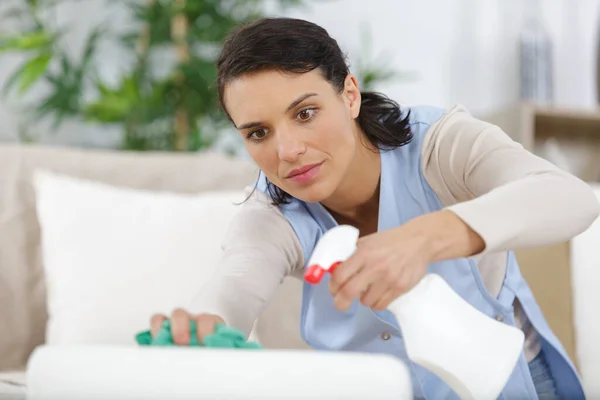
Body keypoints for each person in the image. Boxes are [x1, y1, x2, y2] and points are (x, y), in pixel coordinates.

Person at [148, 17, 599, 399]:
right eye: (258, 133)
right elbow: (235, 284)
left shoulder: (438, 146)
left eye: (304, 113)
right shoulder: (271, 213)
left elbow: (570, 197)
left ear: (349, 95)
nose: (287, 151)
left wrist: (424, 238)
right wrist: (207, 328)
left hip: (511, 381)